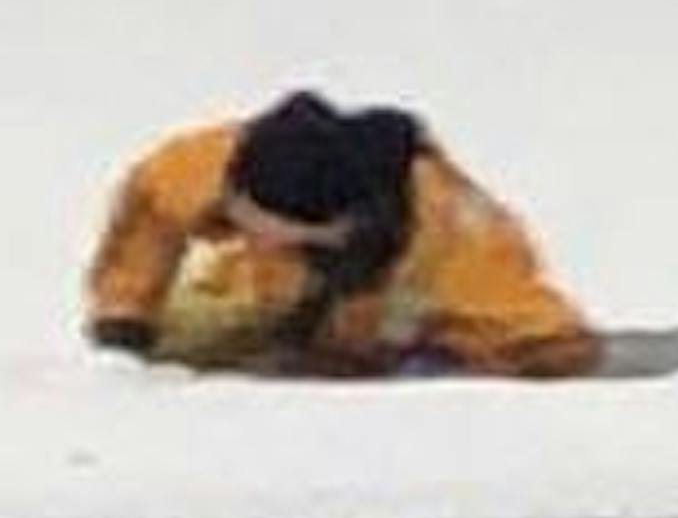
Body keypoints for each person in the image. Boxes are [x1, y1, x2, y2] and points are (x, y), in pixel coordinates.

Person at [85, 91, 601, 379]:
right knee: (182, 342)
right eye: (239, 215)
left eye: (272, 230)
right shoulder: (208, 167)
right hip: (261, 295)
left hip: (400, 337)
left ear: (336, 226)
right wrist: (124, 318)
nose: (238, 225)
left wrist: (438, 370)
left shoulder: (460, 251)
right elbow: (148, 214)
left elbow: (556, 342)